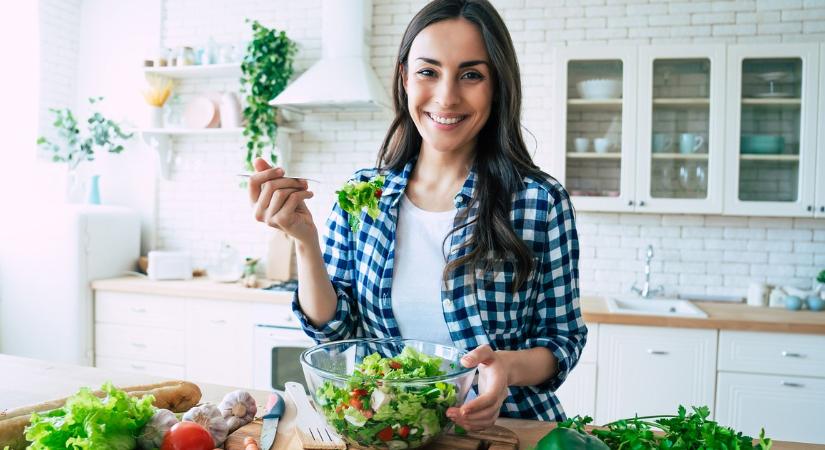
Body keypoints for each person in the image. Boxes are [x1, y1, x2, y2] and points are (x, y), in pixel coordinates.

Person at [248, 0, 587, 429]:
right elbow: (334, 333)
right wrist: (305, 242)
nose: (447, 96)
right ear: (405, 77)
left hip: (507, 429)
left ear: (497, 85)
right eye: (428, 72)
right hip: (387, 431)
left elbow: (562, 339)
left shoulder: (539, 202)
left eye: (471, 75)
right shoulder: (363, 195)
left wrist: (505, 368)